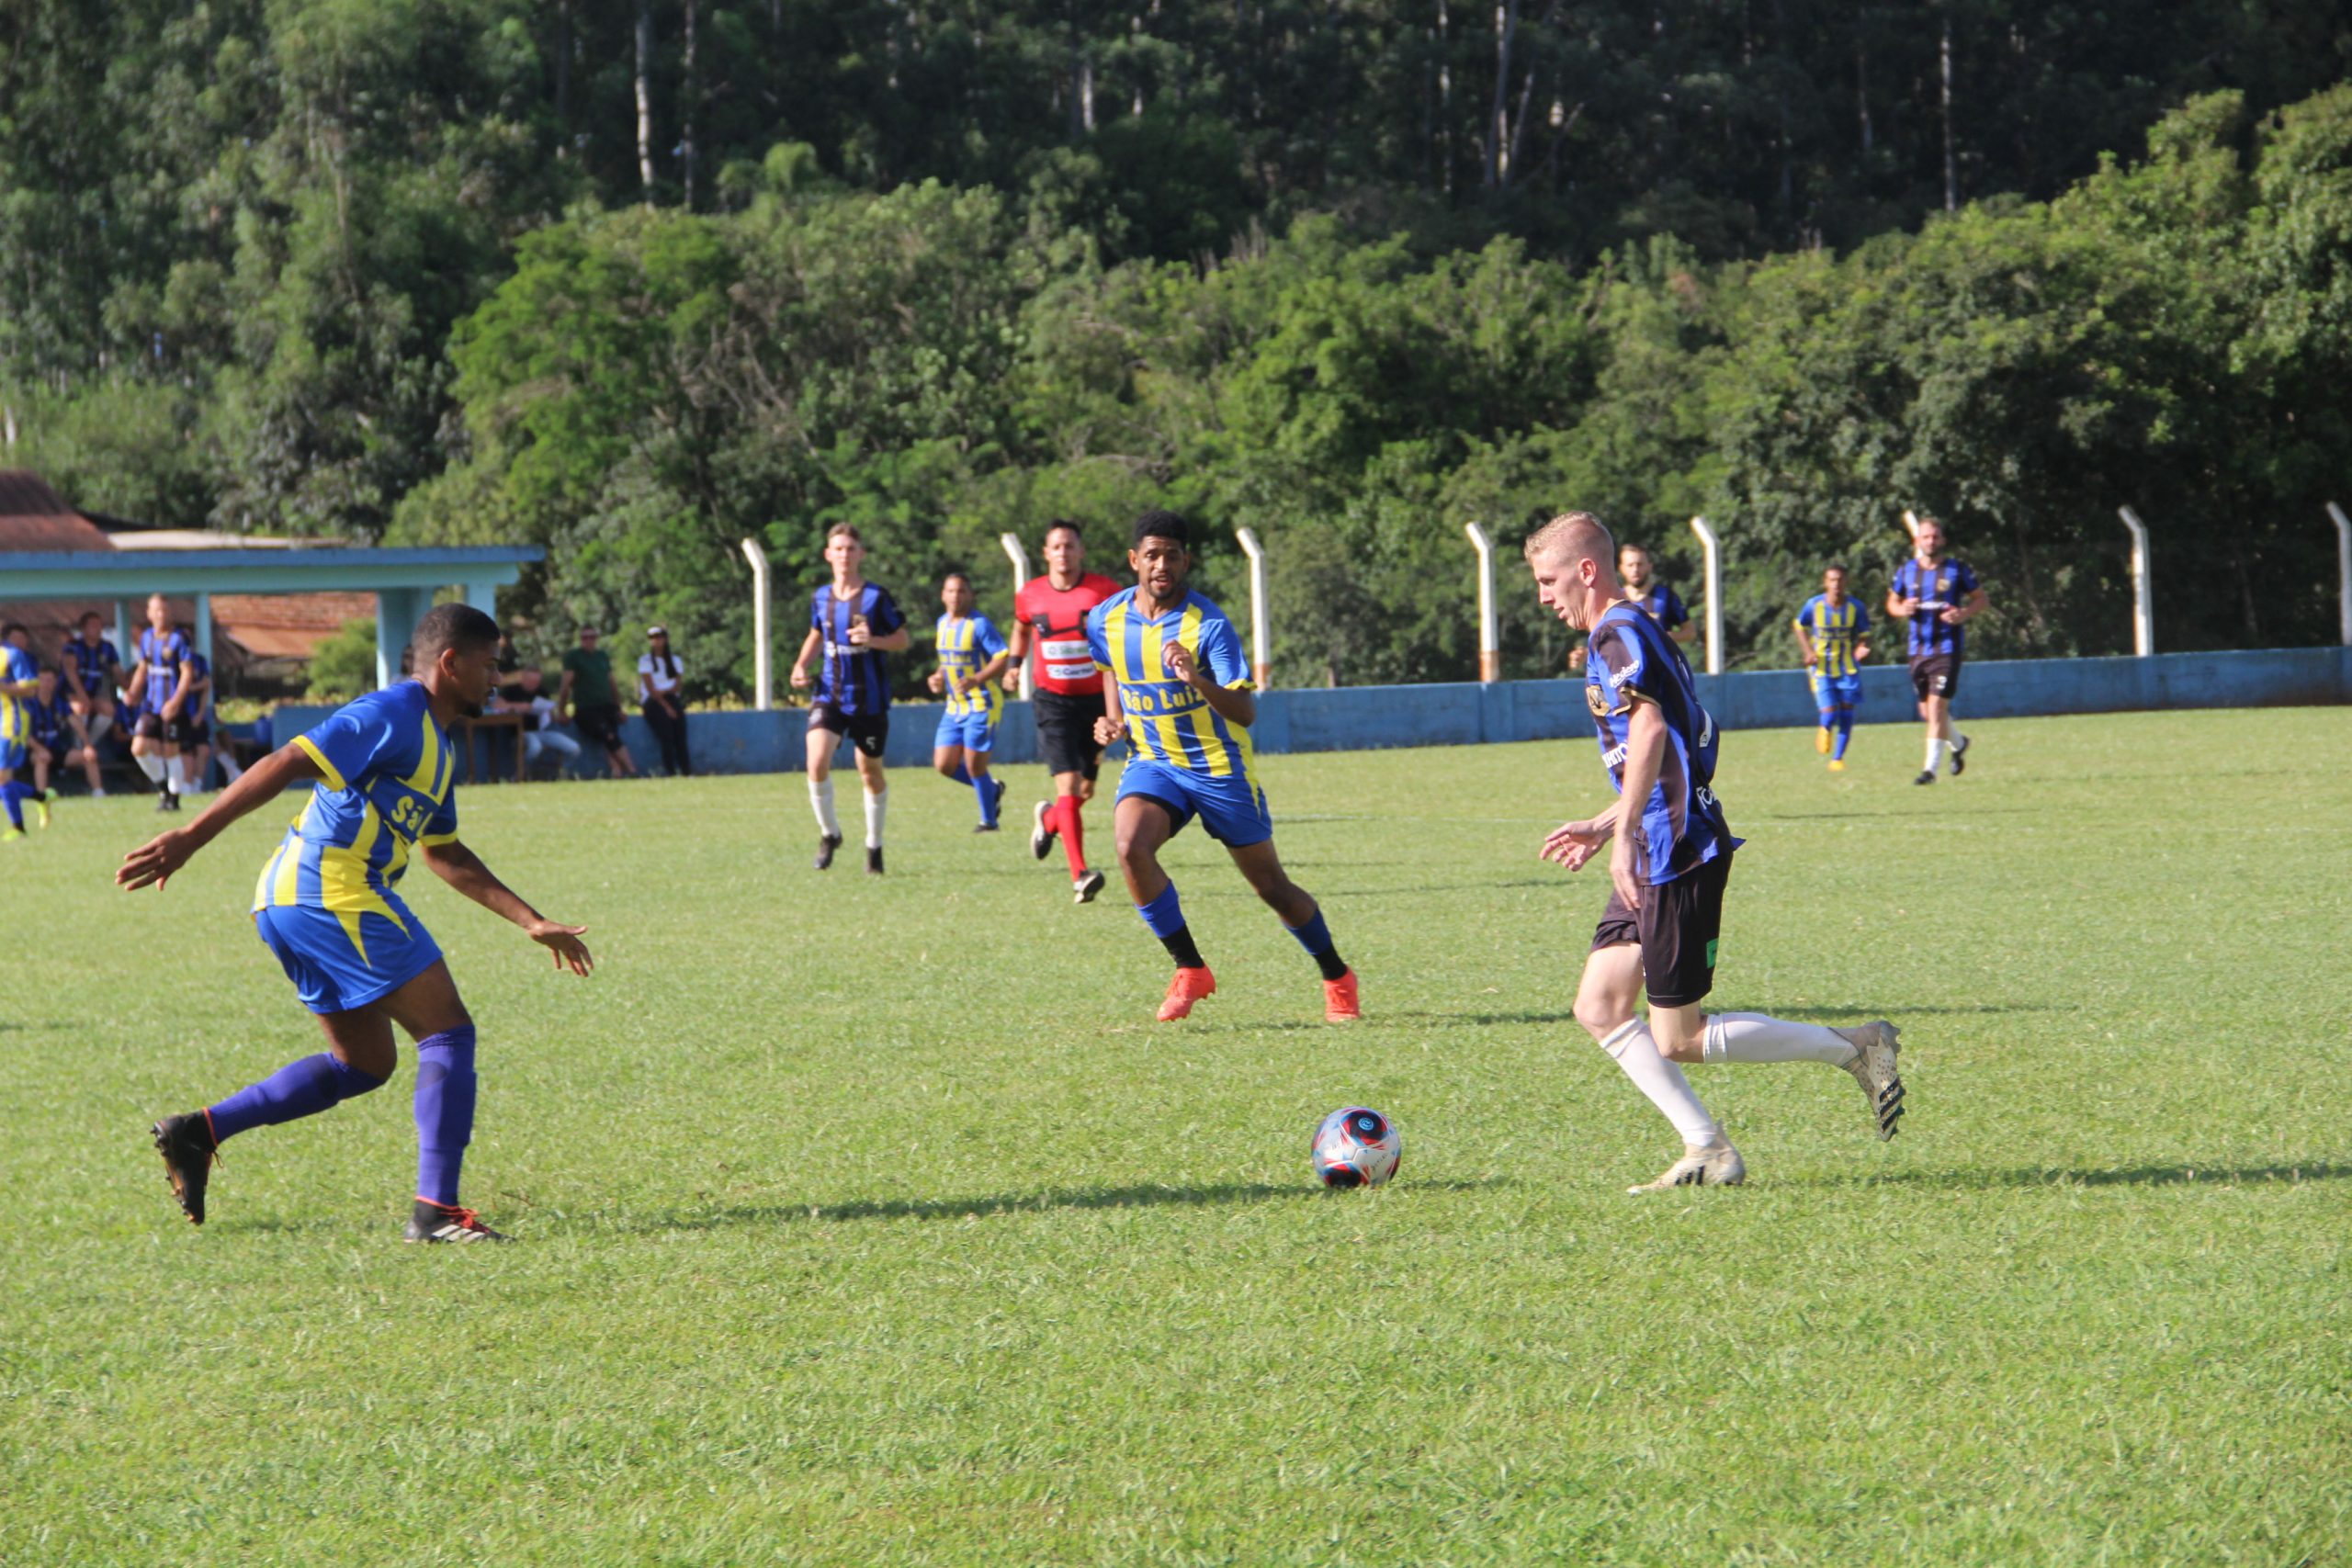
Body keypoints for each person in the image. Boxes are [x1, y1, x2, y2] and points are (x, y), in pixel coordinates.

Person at [126, 603, 594, 1243]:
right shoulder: (394, 712)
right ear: (450, 663)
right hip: (330, 889)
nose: (497, 678)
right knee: (448, 1031)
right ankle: (437, 1213)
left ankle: (198, 1130)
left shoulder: (439, 745)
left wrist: (531, 921)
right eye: (489, 665)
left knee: (365, 1062)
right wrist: (190, 835)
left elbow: (445, 853)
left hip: (291, 899)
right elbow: (290, 759)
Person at [1526, 512, 1905, 1191]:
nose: (1544, 597)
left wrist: (1623, 836)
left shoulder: (1616, 635)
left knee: (1679, 1036)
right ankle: (1707, 1148)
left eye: (1549, 580)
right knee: (1600, 1004)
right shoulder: (1642, 631)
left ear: (1587, 570)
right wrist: (1607, 819)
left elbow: (1646, 730)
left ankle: (1857, 1045)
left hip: (1673, 854)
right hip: (1655, 841)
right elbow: (1688, 743)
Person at [1086, 510, 1360, 1023]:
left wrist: (1195, 679)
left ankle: (1336, 974)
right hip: (1154, 761)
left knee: (1271, 887)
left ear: (1186, 560)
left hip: (1218, 768)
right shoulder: (1104, 619)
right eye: (1152, 555)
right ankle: (1190, 968)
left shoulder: (1208, 625)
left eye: (1172, 555)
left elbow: (1245, 712)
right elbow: (1111, 672)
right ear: (1133, 560)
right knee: (1129, 847)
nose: (1161, 564)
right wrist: (1113, 720)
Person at [1009, 520, 1119, 902]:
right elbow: (1021, 627)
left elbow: (1121, 636)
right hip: (1053, 701)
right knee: (1069, 786)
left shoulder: (1104, 591)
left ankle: (1051, 818)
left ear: (1081, 551)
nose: (1063, 553)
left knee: (1084, 791)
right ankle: (1080, 875)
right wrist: (1012, 663)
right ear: (1046, 553)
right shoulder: (1030, 594)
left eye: (1070, 546)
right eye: (1056, 546)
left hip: (1095, 702)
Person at [791, 523, 910, 873]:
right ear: (828, 555)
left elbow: (902, 639)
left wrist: (873, 640)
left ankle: (874, 846)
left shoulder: (876, 598)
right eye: (838, 549)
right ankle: (830, 834)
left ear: (861, 554)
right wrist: (800, 665)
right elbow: (816, 634)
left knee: (869, 772)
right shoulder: (820, 597)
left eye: (850, 549)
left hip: (869, 701)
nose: (844, 555)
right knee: (816, 762)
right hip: (830, 694)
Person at [1886, 513, 1989, 785]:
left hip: (1947, 649)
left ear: (1942, 540)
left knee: (1936, 708)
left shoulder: (1957, 570)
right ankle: (1959, 743)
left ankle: (1929, 771)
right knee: (1928, 712)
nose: (1931, 541)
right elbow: (1892, 603)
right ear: (1918, 540)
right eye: (1926, 537)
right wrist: (1901, 609)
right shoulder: (1906, 571)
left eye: (1935, 536)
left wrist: (1964, 614)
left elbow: (1981, 600)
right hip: (1917, 649)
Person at [927, 573, 1011, 831]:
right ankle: (992, 788)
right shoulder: (942, 623)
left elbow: (1001, 656)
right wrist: (938, 676)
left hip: (982, 703)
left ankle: (989, 821)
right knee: (944, 765)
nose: (956, 596)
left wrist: (976, 679)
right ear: (943, 595)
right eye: (951, 591)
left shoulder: (979, 624)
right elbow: (948, 659)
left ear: (970, 595)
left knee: (975, 765)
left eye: (961, 591)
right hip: (955, 706)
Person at [1792, 565, 1872, 772]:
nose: (1836, 585)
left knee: (1847, 714)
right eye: (1832, 580)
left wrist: (1862, 648)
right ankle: (1825, 727)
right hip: (1821, 669)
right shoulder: (1814, 605)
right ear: (1825, 582)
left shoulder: (1856, 607)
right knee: (1829, 713)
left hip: (1847, 668)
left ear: (1846, 582)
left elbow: (1865, 634)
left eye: (1840, 580)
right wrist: (1808, 652)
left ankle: (1837, 758)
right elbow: (1799, 625)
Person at [1569, 542, 1694, 672]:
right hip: (1623, 675)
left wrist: (1663, 637)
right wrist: (1584, 652)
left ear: (1650, 566)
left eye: (1639, 564)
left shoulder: (1665, 597)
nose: (1635, 569)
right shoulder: (1611, 600)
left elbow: (1690, 632)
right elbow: (1600, 636)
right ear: (1622, 568)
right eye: (1630, 565)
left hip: (1662, 673)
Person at [122, 593, 194, 811]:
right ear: (149, 613)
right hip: (151, 705)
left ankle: (174, 799)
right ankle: (163, 786)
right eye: (157, 610)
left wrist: (175, 702)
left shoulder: (179, 639)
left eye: (165, 610)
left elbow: (187, 672)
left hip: (172, 706)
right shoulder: (146, 638)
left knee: (171, 750)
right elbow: (143, 668)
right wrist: (133, 691)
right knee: (138, 748)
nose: (161, 614)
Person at [558, 626, 641, 779]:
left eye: (592, 637)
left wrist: (619, 707)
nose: (589, 641)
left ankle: (616, 771)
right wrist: (561, 710)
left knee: (609, 737)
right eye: (585, 637)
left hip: (606, 706)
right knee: (608, 735)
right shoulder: (574, 657)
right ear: (580, 639)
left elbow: (612, 683)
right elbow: (565, 685)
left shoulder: (602, 656)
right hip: (586, 708)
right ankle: (632, 770)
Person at [60, 611, 123, 795]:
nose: (97, 629)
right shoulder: (73, 647)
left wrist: (132, 689)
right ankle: (79, 748)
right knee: (81, 707)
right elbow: (70, 672)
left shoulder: (107, 648)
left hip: (92, 696)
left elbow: (118, 673)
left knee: (108, 709)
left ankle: (87, 745)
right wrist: (81, 695)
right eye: (93, 625)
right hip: (69, 696)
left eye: (99, 625)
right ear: (83, 628)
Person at [0, 625, 49, 840]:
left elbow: (30, 690)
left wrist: (4, 688)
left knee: (2, 776)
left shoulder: (13, 654)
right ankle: (41, 797)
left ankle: (19, 828)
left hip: (11, 723)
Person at [636, 626, 693, 777]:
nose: (657, 641)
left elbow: (677, 685)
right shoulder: (645, 660)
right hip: (653, 701)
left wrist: (666, 693)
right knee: (666, 736)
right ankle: (671, 771)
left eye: (659, 637)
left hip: (670, 697)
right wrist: (666, 708)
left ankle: (686, 771)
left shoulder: (674, 660)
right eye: (653, 638)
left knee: (680, 735)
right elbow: (650, 688)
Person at [175, 626, 215, 794]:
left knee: (203, 749)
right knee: (185, 751)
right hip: (178, 715)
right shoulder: (169, 661)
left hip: (195, 714)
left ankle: (197, 784)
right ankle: (185, 785)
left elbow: (206, 684)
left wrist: (200, 713)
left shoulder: (199, 660)